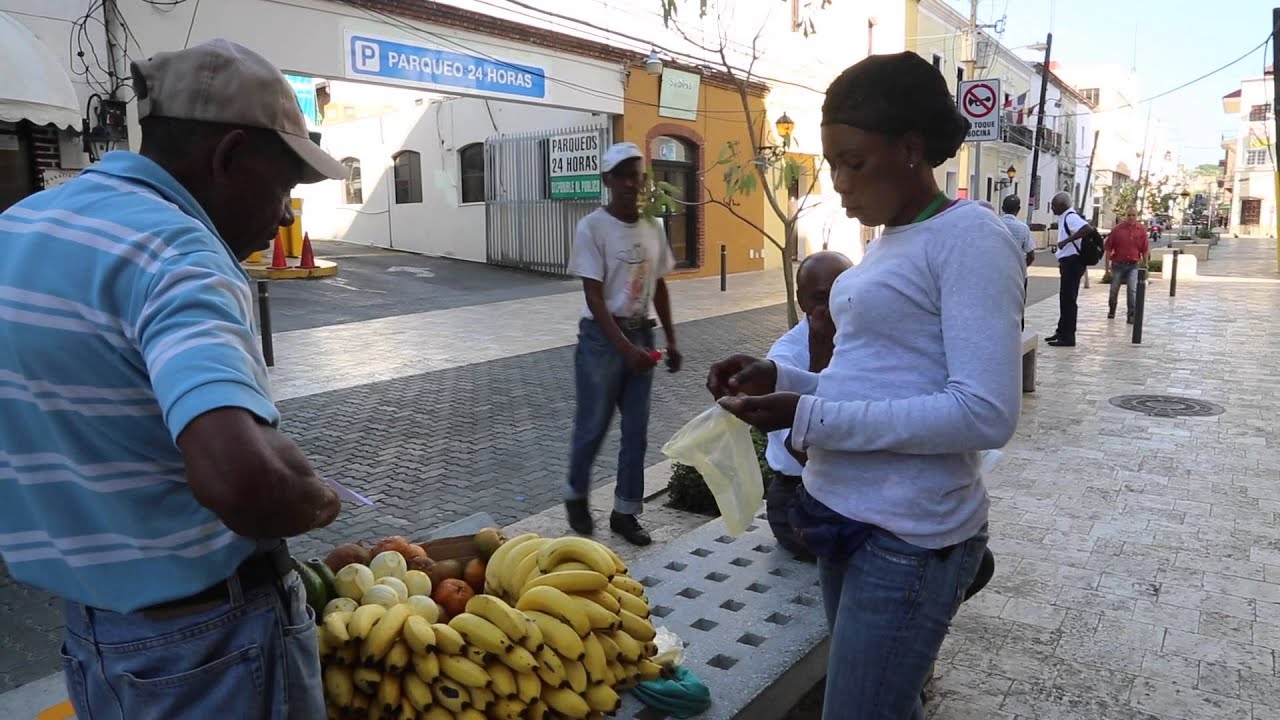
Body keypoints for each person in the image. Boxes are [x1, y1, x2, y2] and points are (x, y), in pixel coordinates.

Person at [0, 40, 346, 719]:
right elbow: (241, 480)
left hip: (96, 643)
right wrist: (313, 499)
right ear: (228, 157)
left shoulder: (17, 230)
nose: (283, 215)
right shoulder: (178, 249)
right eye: (283, 188)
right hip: (210, 654)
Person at [707, 52, 1023, 720]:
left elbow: (984, 412)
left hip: (908, 539)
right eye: (832, 163)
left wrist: (807, 414)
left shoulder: (969, 237)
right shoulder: (889, 240)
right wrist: (782, 378)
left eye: (854, 161)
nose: (839, 182)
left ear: (911, 150)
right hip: (841, 516)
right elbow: (870, 375)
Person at [564, 142, 682, 546]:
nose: (633, 183)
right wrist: (623, 348)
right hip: (601, 339)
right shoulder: (592, 228)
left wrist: (671, 338)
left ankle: (625, 512)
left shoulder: (653, 227)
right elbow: (594, 297)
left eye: (638, 175)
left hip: (641, 332)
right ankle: (576, 493)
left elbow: (659, 285)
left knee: (637, 431)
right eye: (624, 175)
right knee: (593, 426)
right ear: (608, 181)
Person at [763, 251, 852, 559]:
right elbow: (804, 453)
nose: (834, 306)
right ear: (802, 301)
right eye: (821, 297)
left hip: (848, 487)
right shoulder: (786, 358)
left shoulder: (861, 340)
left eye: (843, 291)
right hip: (799, 498)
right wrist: (819, 361)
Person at [1048, 191, 1096, 348]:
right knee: (1064, 299)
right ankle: (1061, 331)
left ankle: (1068, 337)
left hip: (1073, 263)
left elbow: (1087, 229)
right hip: (1067, 262)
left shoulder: (1071, 217)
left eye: (1054, 205)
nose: (1052, 208)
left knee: (1069, 300)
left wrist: (1066, 241)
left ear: (1062, 205)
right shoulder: (1065, 217)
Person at [1106, 207, 1150, 324]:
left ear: (1137, 216)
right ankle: (1112, 309)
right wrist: (1107, 268)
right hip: (1118, 265)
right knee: (1114, 289)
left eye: (1133, 215)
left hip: (1133, 265)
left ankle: (1131, 314)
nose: (1131, 217)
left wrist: (1145, 266)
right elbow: (1108, 249)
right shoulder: (1117, 229)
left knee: (1132, 290)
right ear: (1125, 216)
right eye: (1129, 215)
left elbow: (1145, 250)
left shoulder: (1141, 230)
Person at [1000, 195, 1037, 329]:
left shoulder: (994, 224)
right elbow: (1031, 254)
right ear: (1019, 209)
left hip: (996, 273)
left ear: (1003, 208)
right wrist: (1021, 268)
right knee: (1017, 305)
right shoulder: (1023, 228)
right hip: (1017, 275)